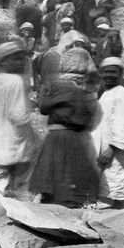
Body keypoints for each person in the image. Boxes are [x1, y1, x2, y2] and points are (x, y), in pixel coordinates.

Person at [30, 68, 101, 208]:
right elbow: (89, 119)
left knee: (53, 176)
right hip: (73, 138)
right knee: (70, 177)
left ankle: (50, 203)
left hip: (55, 137)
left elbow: (43, 108)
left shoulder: (55, 90)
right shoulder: (81, 94)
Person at [0, 42, 38, 200]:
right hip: (16, 144)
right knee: (22, 188)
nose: (20, 63)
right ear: (2, 61)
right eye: (15, 59)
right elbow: (19, 116)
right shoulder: (15, 81)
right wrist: (34, 139)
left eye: (21, 59)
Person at [94, 57, 124, 208]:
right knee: (107, 191)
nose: (108, 75)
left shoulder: (122, 94)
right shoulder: (107, 93)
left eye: (113, 72)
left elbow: (123, 124)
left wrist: (111, 149)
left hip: (116, 152)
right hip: (106, 149)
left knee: (116, 190)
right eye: (105, 72)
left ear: (120, 73)